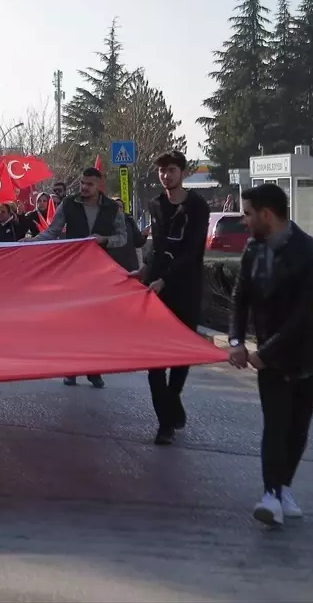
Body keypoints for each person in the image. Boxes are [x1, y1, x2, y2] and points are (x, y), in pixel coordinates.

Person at [228, 183, 313, 527]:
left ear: (267, 215)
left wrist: (267, 350)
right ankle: (271, 495)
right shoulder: (253, 251)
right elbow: (240, 296)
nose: (243, 220)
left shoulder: (310, 255)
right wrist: (235, 342)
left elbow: (304, 314)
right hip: (272, 359)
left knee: (297, 427)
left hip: (310, 354)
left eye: (247, 214)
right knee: (275, 425)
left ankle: (283, 487)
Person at [132, 151, 210, 445]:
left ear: (183, 173)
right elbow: (158, 244)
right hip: (156, 288)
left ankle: (173, 398)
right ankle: (164, 423)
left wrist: (167, 278)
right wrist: (145, 270)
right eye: (163, 171)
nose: (166, 175)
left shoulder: (197, 206)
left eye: (172, 170)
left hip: (185, 286)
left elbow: (193, 252)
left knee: (181, 353)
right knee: (155, 358)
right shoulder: (156, 205)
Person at [31, 168, 128, 388]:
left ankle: (94, 369)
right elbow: (52, 231)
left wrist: (103, 240)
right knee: (72, 320)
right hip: (73, 270)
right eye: (83, 183)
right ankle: (71, 368)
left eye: (89, 184)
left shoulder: (113, 209)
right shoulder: (69, 204)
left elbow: (122, 238)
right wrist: (33, 242)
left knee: (96, 322)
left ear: (99, 186)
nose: (84, 187)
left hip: (100, 272)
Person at [106, 196, 145, 273]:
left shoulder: (129, 220)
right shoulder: (105, 223)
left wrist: (144, 235)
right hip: (112, 267)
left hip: (130, 266)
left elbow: (138, 242)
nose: (118, 209)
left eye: (120, 207)